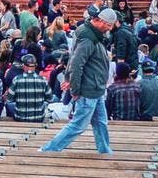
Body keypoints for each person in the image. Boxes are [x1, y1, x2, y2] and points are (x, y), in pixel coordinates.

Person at [42, 9, 114, 154]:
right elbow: (76, 63)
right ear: (100, 21)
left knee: (101, 123)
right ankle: (49, 150)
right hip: (89, 89)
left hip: (96, 88)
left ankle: (105, 151)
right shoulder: (88, 39)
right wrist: (74, 89)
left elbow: (73, 57)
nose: (110, 28)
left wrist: (69, 79)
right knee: (78, 125)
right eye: (108, 25)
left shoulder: (91, 34)